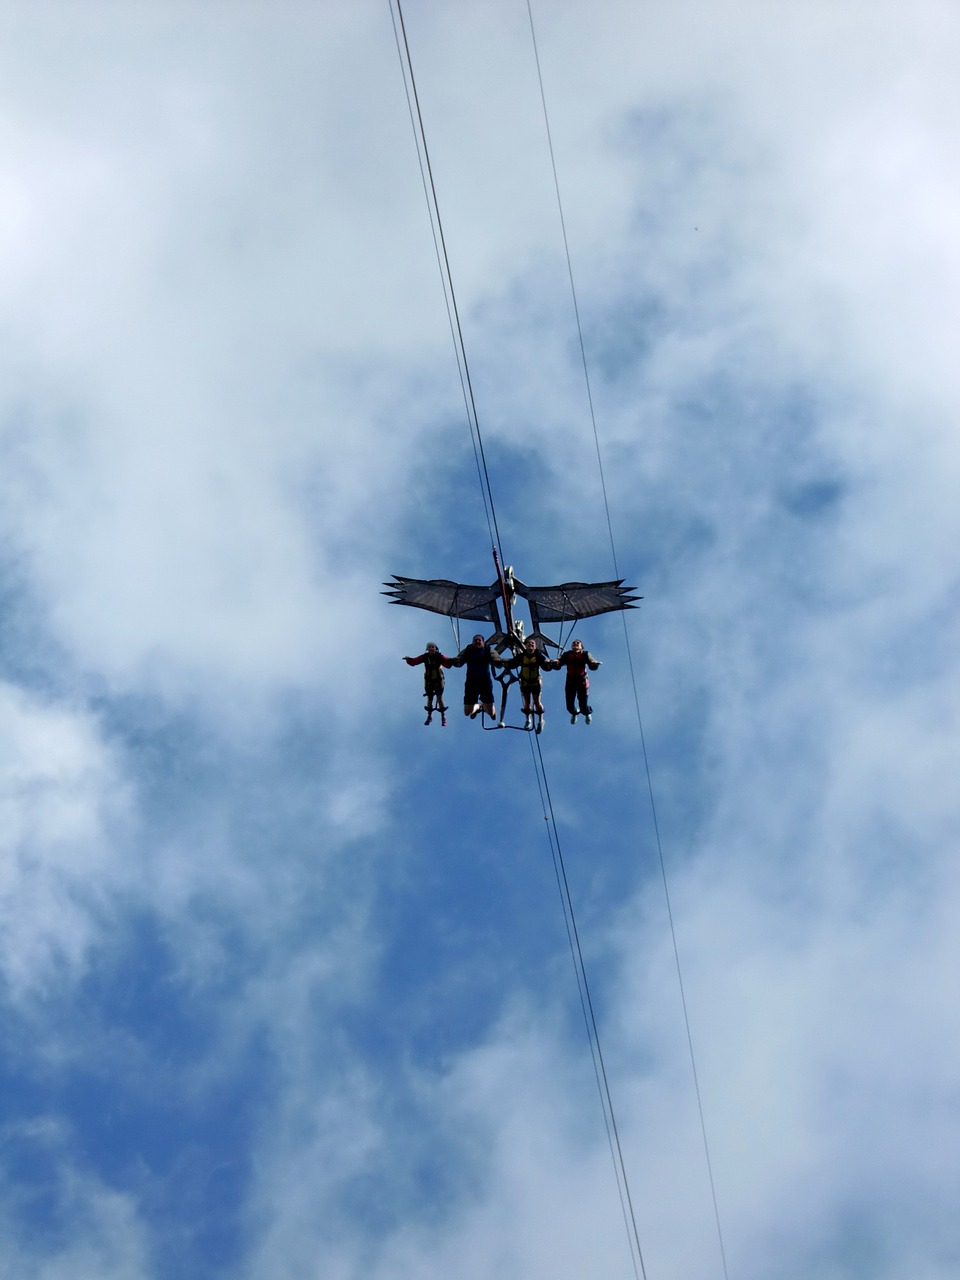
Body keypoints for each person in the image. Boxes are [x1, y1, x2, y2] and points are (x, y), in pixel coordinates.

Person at [503, 636, 553, 732]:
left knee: (536, 702)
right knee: (527, 703)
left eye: (532, 644)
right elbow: (513, 664)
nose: (530, 645)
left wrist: (549, 664)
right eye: (529, 644)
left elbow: (545, 667)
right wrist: (505, 664)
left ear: (535, 647)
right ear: (525, 646)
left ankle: (540, 721)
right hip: (525, 682)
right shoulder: (522, 656)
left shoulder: (538, 656)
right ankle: (527, 720)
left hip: (535, 682)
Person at [452, 634, 502, 720]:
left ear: (483, 642)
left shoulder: (488, 650)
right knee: (467, 712)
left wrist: (498, 662)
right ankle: (478, 706)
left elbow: (498, 662)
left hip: (485, 683)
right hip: (471, 683)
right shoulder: (468, 650)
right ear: (472, 642)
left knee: (490, 712)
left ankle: (489, 709)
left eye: (479, 640)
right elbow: (459, 662)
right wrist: (454, 661)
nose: (477, 642)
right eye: (475, 641)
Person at [404, 643, 453, 725]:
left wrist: (452, 661)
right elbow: (415, 661)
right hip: (429, 681)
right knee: (429, 698)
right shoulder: (425, 657)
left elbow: (447, 663)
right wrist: (409, 660)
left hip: (438, 680)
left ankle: (443, 716)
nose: (431, 649)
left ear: (436, 649)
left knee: (439, 697)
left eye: (433, 647)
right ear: (427, 649)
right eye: (429, 647)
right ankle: (429, 716)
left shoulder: (440, 657)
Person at [554, 638, 601, 723]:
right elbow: (559, 663)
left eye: (578, 643)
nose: (575, 643)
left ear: (581, 647)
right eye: (574, 643)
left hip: (581, 682)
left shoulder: (585, 654)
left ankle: (587, 713)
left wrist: (594, 664)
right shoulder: (567, 654)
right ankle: (574, 713)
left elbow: (591, 662)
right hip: (570, 682)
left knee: (583, 706)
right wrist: (556, 663)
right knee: (569, 706)